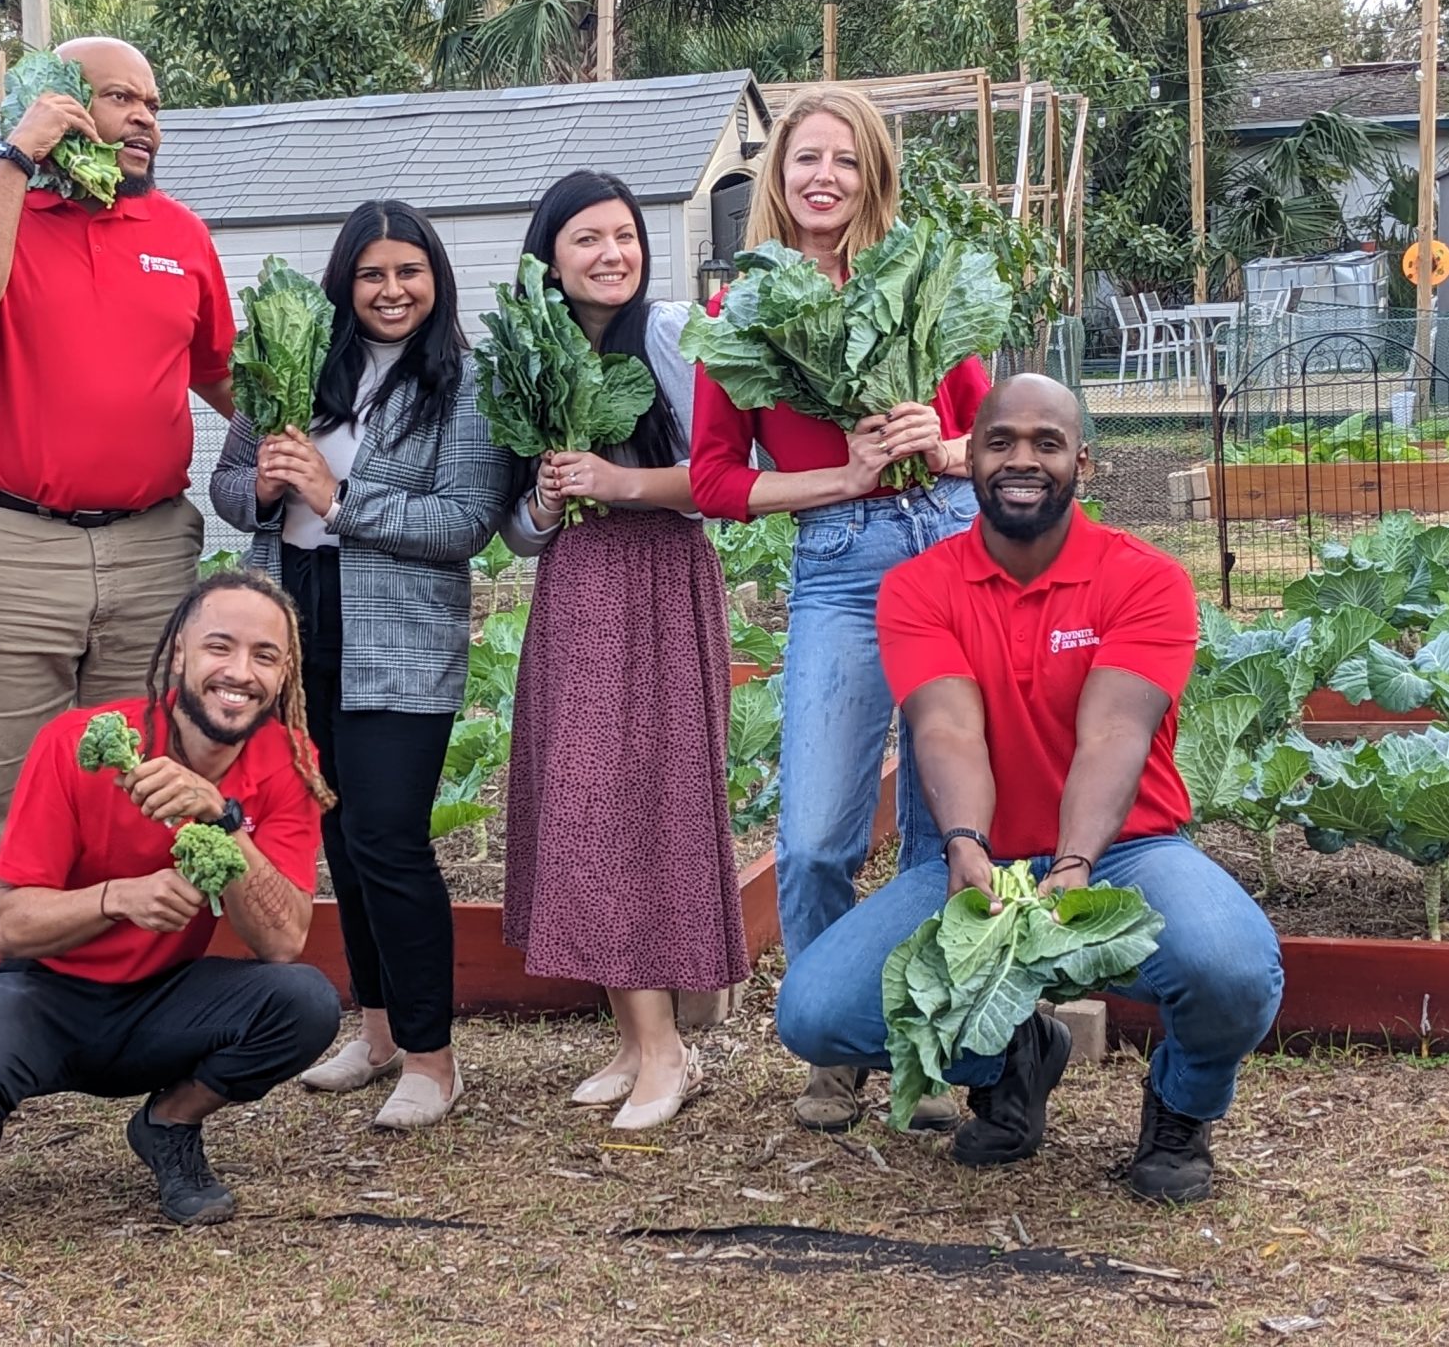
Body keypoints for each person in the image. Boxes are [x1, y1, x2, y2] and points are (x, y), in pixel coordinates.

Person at [773, 374, 1285, 1205]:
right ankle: (1013, 1055)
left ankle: (1181, 1108)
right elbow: (947, 730)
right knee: (816, 1013)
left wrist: (1078, 863)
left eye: (1047, 443)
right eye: (1001, 441)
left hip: (1126, 852)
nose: (1023, 459)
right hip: (986, 861)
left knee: (1234, 969)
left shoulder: (1145, 578)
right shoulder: (919, 587)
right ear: (968, 457)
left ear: (1083, 460)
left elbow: (1114, 735)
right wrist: (966, 846)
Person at [0, 37, 237, 1019]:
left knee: (137, 797)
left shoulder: (180, 231)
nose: (144, 118)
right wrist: (15, 159)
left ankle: (116, 1021)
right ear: (55, 105)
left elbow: (226, 380)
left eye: (153, 102)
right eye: (117, 98)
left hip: (149, 546)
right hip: (6, 547)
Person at [686, 85, 995, 1132]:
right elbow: (718, 481)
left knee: (938, 825)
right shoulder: (743, 313)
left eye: (846, 162)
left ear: (873, 178)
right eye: (804, 159)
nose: (824, 177)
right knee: (816, 833)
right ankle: (831, 1039)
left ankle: (925, 1043)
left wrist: (937, 445)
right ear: (775, 178)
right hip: (841, 564)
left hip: (950, 546)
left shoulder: (922, 281)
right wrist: (846, 476)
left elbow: (995, 446)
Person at [0, 571, 341, 1240]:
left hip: (165, 1003)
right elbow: (8, 925)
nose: (240, 672)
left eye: (265, 656)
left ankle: (169, 1126)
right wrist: (116, 898)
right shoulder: (79, 741)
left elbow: (282, 941)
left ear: (284, 675)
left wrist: (223, 817)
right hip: (45, 993)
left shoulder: (290, 761)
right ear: (179, 655)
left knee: (305, 1003)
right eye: (220, 648)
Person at [209, 201, 504, 1130]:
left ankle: (432, 1057)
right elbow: (224, 484)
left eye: (409, 272)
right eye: (372, 274)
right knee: (336, 835)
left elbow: (464, 522)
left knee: (389, 837)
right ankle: (374, 1034)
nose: (391, 291)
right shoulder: (292, 369)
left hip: (399, 634)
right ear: (344, 282)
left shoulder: (463, 385)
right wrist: (260, 488)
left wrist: (339, 500)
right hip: (292, 627)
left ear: (436, 280)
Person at [496, 170, 742, 1131]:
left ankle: (668, 1051)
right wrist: (546, 504)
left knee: (641, 803)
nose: (613, 255)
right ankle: (635, 1042)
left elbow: (730, 477)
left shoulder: (671, 334)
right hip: (575, 588)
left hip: (658, 582)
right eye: (587, 240)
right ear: (549, 259)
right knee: (582, 801)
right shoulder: (533, 350)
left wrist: (617, 480)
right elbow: (514, 529)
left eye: (625, 237)